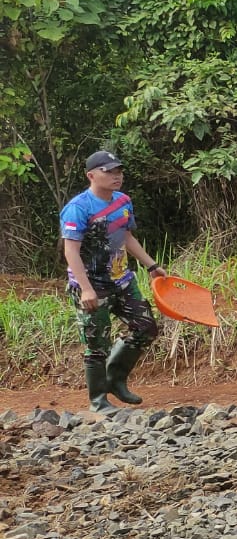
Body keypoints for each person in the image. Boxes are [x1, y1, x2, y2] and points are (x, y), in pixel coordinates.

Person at [60, 150, 165, 412]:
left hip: (122, 280)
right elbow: (70, 251)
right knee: (97, 344)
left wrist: (151, 265)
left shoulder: (123, 201)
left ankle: (115, 379)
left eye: (118, 170)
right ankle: (98, 401)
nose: (116, 176)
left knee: (146, 327)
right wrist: (85, 289)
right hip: (91, 284)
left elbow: (126, 238)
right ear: (91, 175)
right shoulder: (78, 208)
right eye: (108, 171)